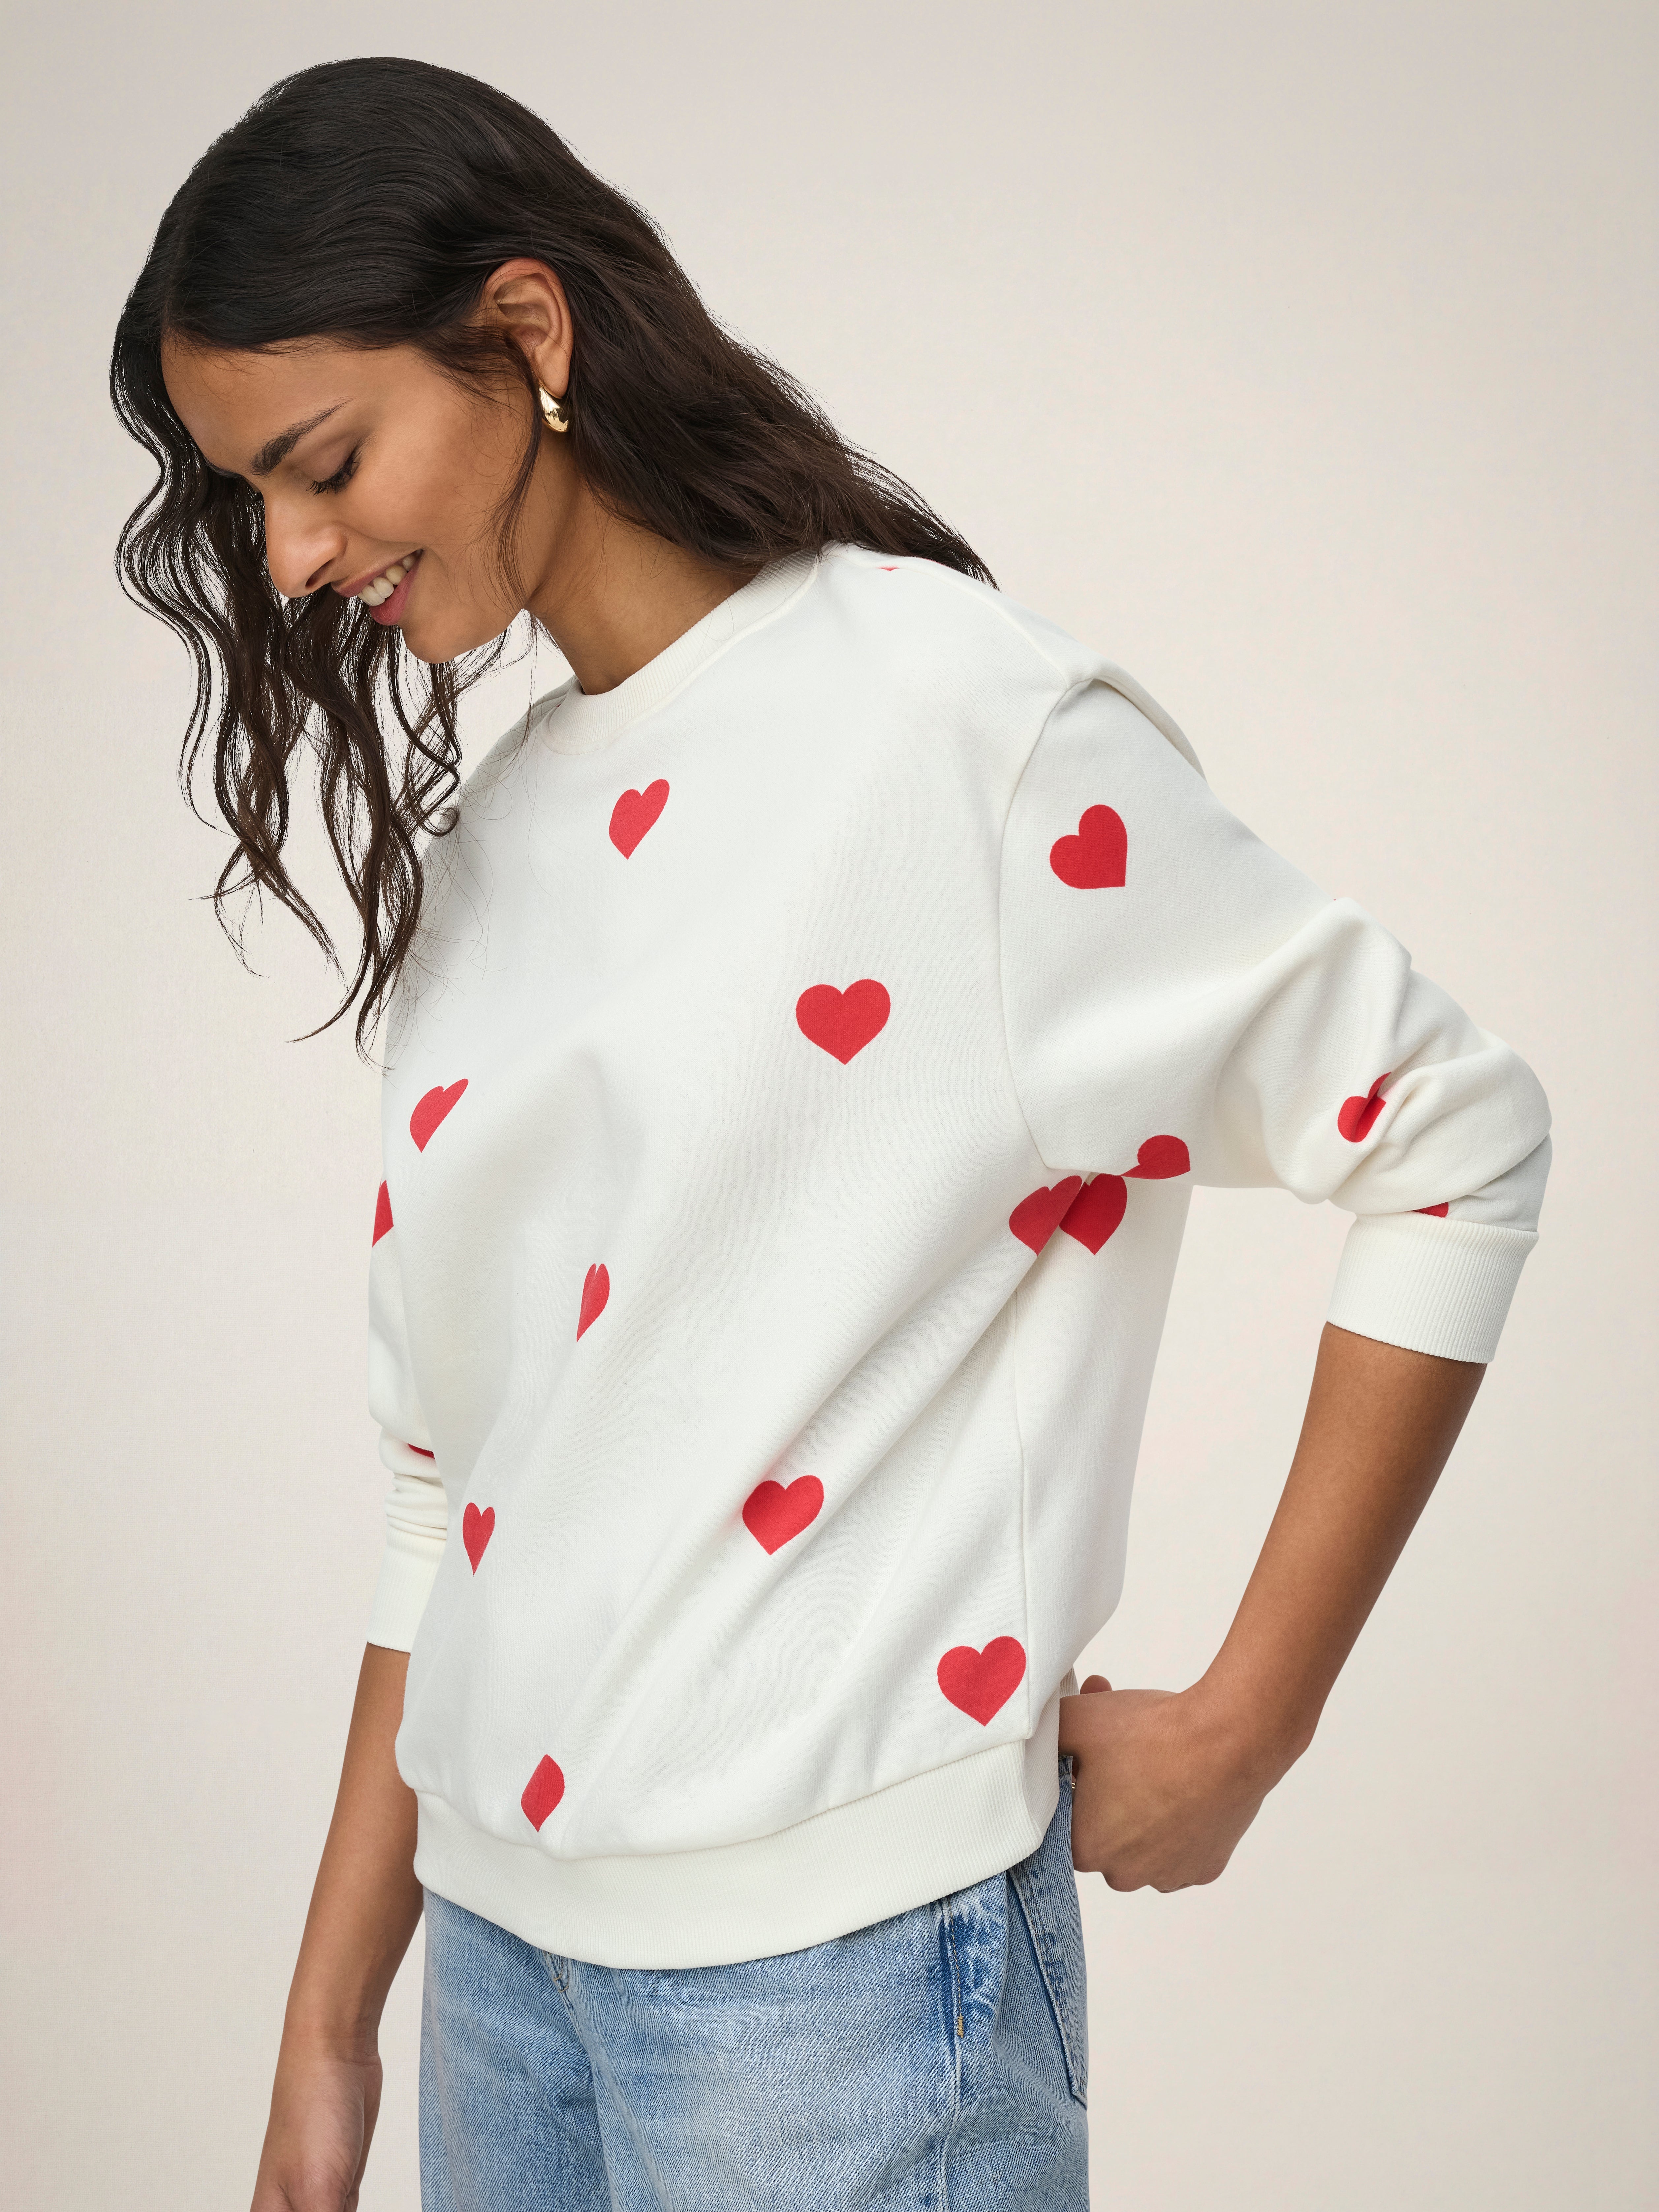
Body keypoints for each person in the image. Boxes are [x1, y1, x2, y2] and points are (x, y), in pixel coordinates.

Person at [111, 54, 1551, 2212]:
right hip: (501, 1979)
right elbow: (454, 1484)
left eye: (319, 464)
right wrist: (331, 2029)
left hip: (841, 1993)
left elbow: (1448, 1129)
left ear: (526, 333)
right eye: (253, 497)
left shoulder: (959, 735)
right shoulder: (496, 847)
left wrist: (1250, 1718)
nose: (294, 553)